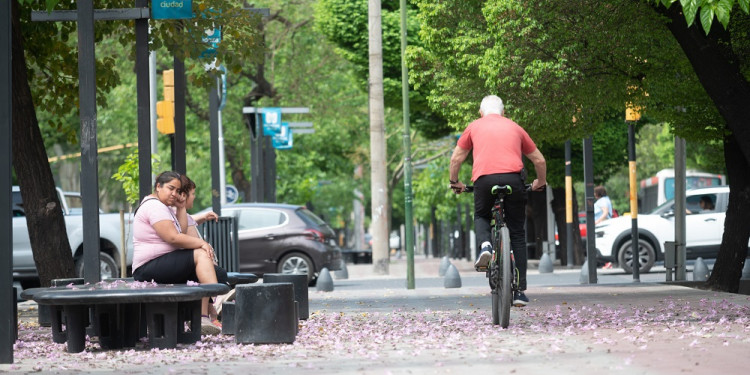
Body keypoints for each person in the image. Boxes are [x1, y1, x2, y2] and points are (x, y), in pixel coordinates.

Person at [449, 95, 546, 307]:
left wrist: (455, 181)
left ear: (481, 112)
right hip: (514, 179)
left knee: (482, 215)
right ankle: (519, 291)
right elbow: (539, 159)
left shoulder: (474, 126)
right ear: (503, 113)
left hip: (484, 180)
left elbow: (456, 158)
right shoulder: (515, 127)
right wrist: (540, 181)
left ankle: (486, 246)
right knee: (518, 234)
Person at [132, 171, 225, 335]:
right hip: (148, 267)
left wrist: (181, 207)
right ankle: (211, 304)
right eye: (170, 188)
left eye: (177, 190)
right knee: (200, 255)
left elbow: (180, 231)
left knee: (214, 270)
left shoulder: (164, 207)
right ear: (158, 186)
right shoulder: (154, 206)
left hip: (162, 263)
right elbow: (173, 238)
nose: (174, 194)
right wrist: (202, 243)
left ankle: (206, 310)